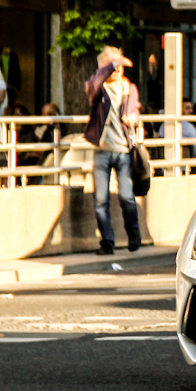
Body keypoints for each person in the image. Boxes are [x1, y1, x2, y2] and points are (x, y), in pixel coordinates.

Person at [84, 46, 141, 255]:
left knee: (127, 196)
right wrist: (110, 65)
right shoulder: (98, 88)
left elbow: (135, 108)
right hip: (102, 150)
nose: (117, 70)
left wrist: (133, 117)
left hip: (124, 150)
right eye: (113, 66)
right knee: (101, 199)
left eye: (119, 66)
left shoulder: (128, 88)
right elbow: (93, 83)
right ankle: (107, 243)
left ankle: (134, 234)